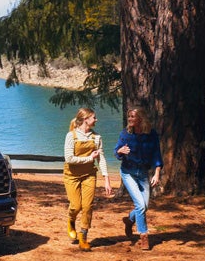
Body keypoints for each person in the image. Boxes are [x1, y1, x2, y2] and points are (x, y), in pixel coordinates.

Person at [63, 107, 113, 251]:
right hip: (71, 176)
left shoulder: (96, 137)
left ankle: (83, 237)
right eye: (94, 117)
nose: (96, 120)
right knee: (76, 206)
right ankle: (71, 220)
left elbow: (101, 159)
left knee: (87, 206)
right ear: (86, 119)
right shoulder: (71, 136)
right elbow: (69, 159)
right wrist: (89, 158)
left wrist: (107, 179)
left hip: (89, 175)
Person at [114, 107, 163, 250]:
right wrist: (120, 151)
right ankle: (144, 236)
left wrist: (157, 173)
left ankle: (130, 220)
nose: (129, 119)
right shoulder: (126, 133)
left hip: (143, 173)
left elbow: (156, 154)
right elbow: (116, 151)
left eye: (132, 116)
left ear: (141, 118)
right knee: (140, 206)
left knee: (144, 206)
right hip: (127, 172)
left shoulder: (151, 134)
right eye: (129, 116)